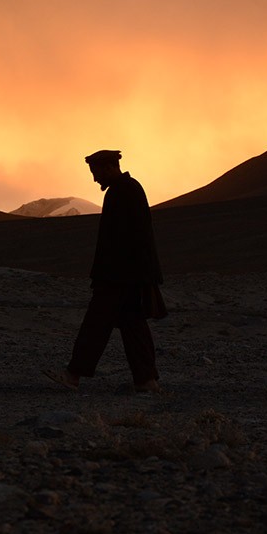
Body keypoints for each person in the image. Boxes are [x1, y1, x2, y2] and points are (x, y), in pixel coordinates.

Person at [46, 150, 167, 393]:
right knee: (133, 325)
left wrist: (108, 275)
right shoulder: (129, 189)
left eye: (97, 172)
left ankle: (73, 375)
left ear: (111, 167)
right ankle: (146, 380)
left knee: (96, 324)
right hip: (129, 275)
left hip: (118, 277)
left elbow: (123, 240)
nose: (95, 179)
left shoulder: (123, 191)